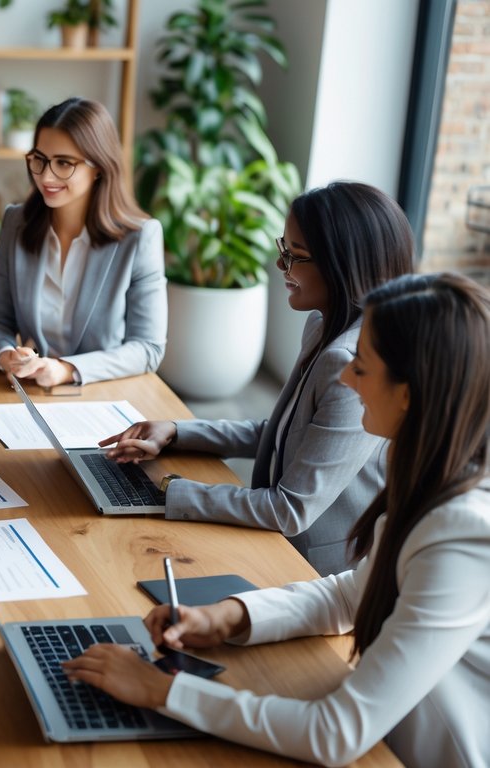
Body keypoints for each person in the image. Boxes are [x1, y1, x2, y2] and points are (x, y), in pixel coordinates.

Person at [65, 272, 490, 768]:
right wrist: (228, 615)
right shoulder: (430, 469)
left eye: (362, 366)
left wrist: (164, 691)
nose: (346, 379)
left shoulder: (463, 534)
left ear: (410, 394)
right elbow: (353, 593)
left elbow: (335, 734)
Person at [101, 182, 413, 575]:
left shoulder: (351, 364)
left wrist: (167, 490)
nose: (281, 266)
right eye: (283, 250)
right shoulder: (322, 327)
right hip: (274, 539)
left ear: (341, 266)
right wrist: (177, 432)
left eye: (294, 256)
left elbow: (290, 509)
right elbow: (284, 433)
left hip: (311, 569)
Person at [0, 97, 165, 386]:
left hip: (104, 395)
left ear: (99, 167)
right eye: (39, 160)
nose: (46, 177)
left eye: (64, 163)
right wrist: (6, 356)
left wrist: (66, 369)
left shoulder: (140, 237)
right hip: (29, 395)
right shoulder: (16, 222)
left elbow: (148, 349)